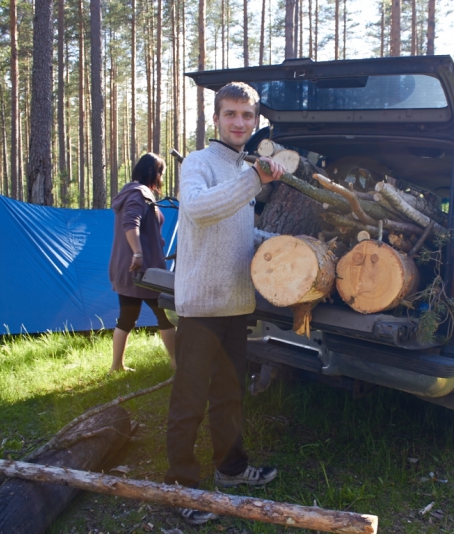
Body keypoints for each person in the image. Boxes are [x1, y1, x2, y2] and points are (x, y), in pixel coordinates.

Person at [166, 82, 284, 526]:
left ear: (255, 121)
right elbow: (199, 210)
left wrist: (285, 245)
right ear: (215, 118)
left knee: (229, 395)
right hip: (200, 308)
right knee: (189, 402)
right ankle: (180, 487)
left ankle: (231, 468)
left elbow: (239, 233)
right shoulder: (199, 163)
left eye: (247, 115)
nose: (239, 122)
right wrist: (254, 180)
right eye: (231, 114)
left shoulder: (243, 167)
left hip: (236, 306)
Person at [108, 153, 176, 373]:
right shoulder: (139, 194)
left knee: (127, 318)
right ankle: (177, 364)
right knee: (165, 315)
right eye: (160, 173)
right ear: (151, 172)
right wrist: (138, 254)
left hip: (130, 269)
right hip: (142, 270)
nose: (161, 178)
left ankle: (116, 367)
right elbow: (131, 223)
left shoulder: (132, 192)